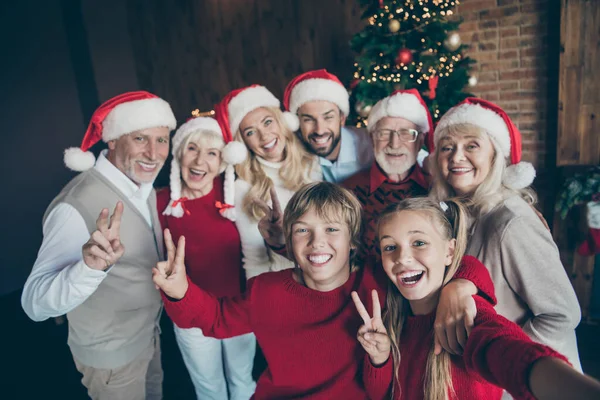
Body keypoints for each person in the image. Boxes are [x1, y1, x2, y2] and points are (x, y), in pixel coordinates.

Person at [152, 182, 497, 399]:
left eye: (332, 229)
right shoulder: (266, 291)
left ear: (353, 242)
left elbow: (446, 264)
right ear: (289, 239)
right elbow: (214, 320)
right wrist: (180, 290)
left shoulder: (377, 279)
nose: (318, 242)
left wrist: (462, 286)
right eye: (303, 230)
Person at [356, 197, 600, 400]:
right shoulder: (393, 317)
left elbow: (507, 351)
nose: (402, 258)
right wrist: (380, 359)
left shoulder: (468, 315)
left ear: (449, 251)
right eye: (390, 247)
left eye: (419, 243)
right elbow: (383, 393)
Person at [21, 91, 176, 400]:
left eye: (161, 140)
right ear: (113, 141)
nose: (154, 153)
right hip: (111, 359)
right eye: (141, 139)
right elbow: (34, 304)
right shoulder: (74, 205)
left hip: (149, 336)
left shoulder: (142, 186)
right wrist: (88, 269)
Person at [429, 98, 582, 370]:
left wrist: (501, 360)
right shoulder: (460, 215)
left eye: (471, 146)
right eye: (447, 147)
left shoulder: (511, 221)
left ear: (495, 156)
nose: (456, 157)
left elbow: (562, 315)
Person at [157, 116, 255, 399]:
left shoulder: (236, 196)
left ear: (222, 161)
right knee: (209, 389)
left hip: (238, 308)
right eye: (192, 149)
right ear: (179, 153)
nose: (200, 161)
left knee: (242, 381)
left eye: (211, 153)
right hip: (190, 313)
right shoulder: (160, 202)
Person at [214, 84, 322, 279]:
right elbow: (254, 258)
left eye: (267, 122)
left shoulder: (312, 164)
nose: (264, 136)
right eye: (250, 132)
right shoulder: (244, 187)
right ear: (242, 143)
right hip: (284, 282)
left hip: (326, 275)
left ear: (282, 122)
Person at [343, 89, 432, 264]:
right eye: (384, 133)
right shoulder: (348, 190)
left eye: (406, 133)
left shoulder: (436, 188)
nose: (395, 143)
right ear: (372, 138)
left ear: (420, 141)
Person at [283, 69, 373, 183]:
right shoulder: (291, 152)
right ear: (297, 122)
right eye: (308, 120)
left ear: (342, 119)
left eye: (328, 117)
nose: (319, 130)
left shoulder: (370, 147)